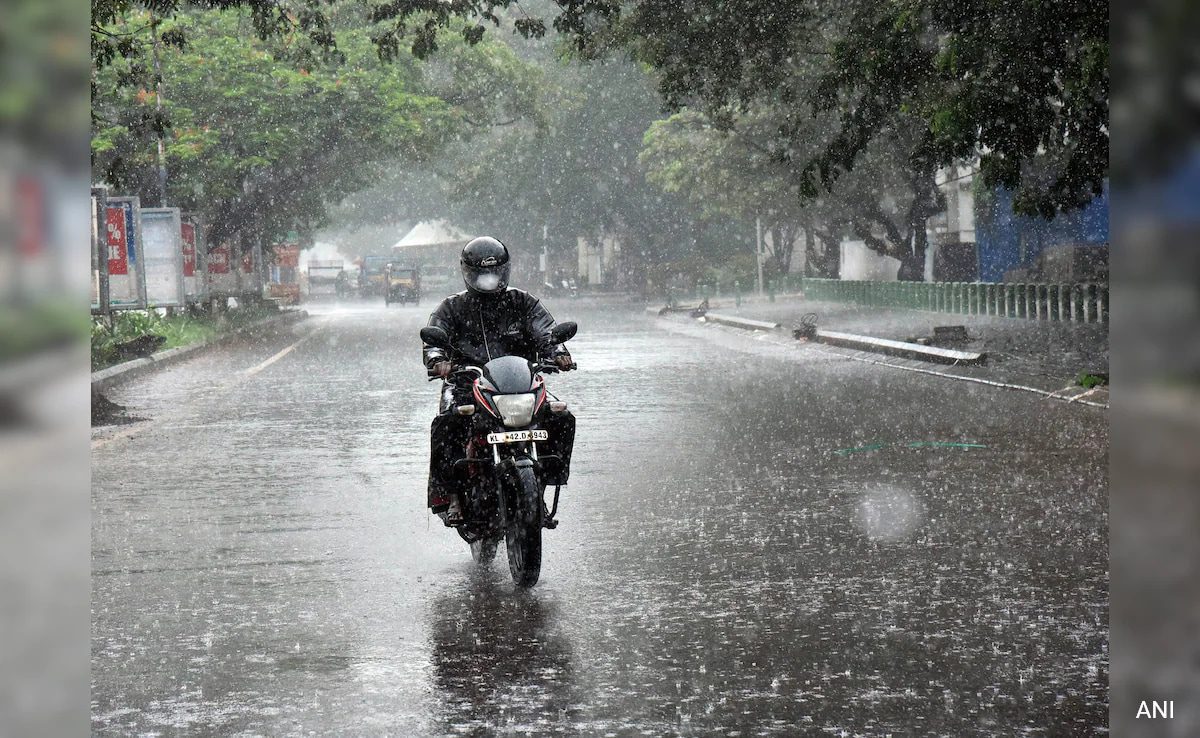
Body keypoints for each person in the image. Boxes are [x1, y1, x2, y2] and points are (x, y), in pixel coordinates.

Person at [422, 236, 576, 524]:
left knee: (561, 416)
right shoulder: (452, 308)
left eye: (494, 272)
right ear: (468, 273)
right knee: (447, 423)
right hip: (466, 384)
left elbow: (547, 331)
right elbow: (434, 339)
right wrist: (438, 360)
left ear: (504, 270)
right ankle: (451, 495)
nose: (489, 280)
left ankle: (544, 481)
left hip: (519, 385)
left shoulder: (523, 303)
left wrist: (558, 352)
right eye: (482, 273)